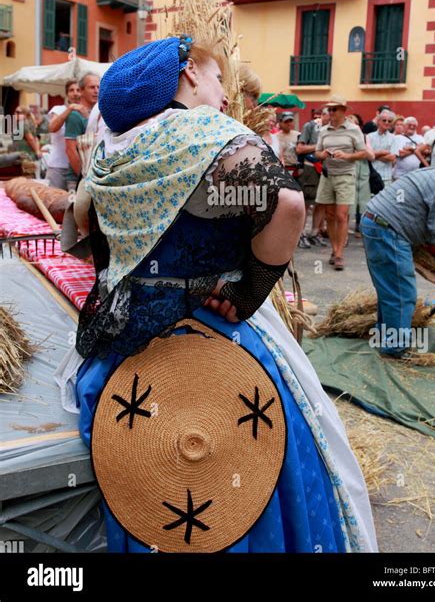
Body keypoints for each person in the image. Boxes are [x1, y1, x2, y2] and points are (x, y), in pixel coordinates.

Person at [59, 36, 376, 553]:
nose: (225, 96)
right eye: (213, 78)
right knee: (232, 486)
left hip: (122, 351)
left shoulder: (113, 145)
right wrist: (247, 290)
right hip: (215, 345)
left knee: (157, 495)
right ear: (186, 73)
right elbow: (290, 206)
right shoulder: (204, 132)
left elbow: (80, 224)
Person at [360, 155, 435, 357]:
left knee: (389, 289)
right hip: (388, 230)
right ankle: (395, 349)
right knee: (402, 293)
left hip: (375, 222)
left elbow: (430, 228)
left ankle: (384, 336)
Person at [314, 96, 369, 270]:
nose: (330, 112)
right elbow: (317, 152)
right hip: (328, 174)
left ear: (344, 111)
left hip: (346, 175)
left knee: (341, 215)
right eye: (329, 109)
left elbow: (363, 153)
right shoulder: (324, 130)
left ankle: (339, 254)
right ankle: (334, 249)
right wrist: (323, 155)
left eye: (334, 109)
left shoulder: (354, 130)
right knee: (329, 215)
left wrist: (347, 156)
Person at [46, 80, 88, 190]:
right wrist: (70, 109)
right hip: (57, 166)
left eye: (78, 90)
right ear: (66, 94)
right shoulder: (58, 109)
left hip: (77, 168)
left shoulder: (86, 111)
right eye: (71, 90)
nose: (75, 93)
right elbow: (52, 127)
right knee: (53, 202)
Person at [296, 110, 327, 247]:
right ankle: (300, 235)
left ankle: (315, 233)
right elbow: (300, 149)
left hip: (326, 169)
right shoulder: (310, 126)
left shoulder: (333, 129)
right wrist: (319, 147)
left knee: (321, 203)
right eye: (329, 114)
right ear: (324, 115)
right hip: (311, 168)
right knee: (306, 203)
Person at [64, 73, 100, 191]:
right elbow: (71, 150)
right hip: (77, 179)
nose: (96, 91)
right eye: (92, 87)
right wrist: (83, 177)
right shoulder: (75, 115)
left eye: (98, 87)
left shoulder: (98, 113)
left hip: (93, 178)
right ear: (82, 91)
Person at [347, 114, 374, 237]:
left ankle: (361, 228)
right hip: (348, 172)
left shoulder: (364, 137)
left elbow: (371, 156)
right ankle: (344, 231)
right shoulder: (343, 137)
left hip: (362, 173)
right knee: (347, 203)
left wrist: (359, 142)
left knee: (363, 202)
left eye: (355, 124)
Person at [368, 110, 397, 187]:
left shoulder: (393, 138)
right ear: (378, 121)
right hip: (371, 176)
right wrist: (383, 152)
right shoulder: (369, 137)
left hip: (386, 177)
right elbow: (367, 155)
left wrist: (374, 155)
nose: (387, 122)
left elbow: (392, 158)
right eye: (384, 120)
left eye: (389, 121)